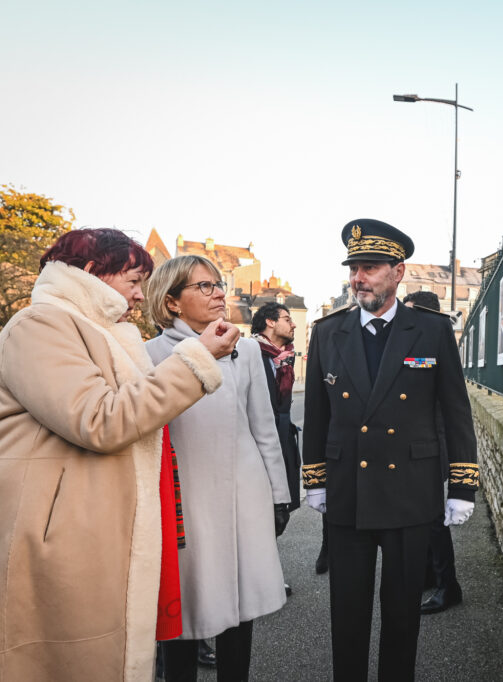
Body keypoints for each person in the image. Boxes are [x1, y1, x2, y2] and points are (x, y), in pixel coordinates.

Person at [0, 228, 237, 681]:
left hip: (83, 531)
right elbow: (100, 420)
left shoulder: (98, 333)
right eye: (133, 281)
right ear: (91, 273)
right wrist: (197, 361)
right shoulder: (38, 325)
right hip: (44, 539)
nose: (142, 297)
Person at [303, 219, 479, 681]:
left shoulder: (431, 330)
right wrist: (314, 479)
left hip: (410, 492)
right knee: (348, 611)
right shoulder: (328, 333)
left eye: (370, 267)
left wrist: (462, 487)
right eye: (354, 268)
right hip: (348, 493)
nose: (358, 278)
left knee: (402, 615)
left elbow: (456, 411)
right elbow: (317, 416)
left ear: (397, 273)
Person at [145, 255, 291, 682]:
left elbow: (263, 427)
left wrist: (278, 495)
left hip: (243, 495)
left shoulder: (245, 349)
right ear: (172, 302)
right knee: (184, 611)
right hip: (183, 499)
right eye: (204, 287)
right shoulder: (149, 354)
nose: (219, 294)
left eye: (219, 284)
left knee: (241, 606)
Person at [401, 290, 464, 615]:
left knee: (434, 519)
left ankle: (447, 585)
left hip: (434, 442)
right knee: (423, 516)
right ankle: (429, 574)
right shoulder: (416, 341)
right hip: (417, 444)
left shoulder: (434, 343)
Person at [251, 301, 301, 595]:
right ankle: (261, 577)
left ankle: (264, 571)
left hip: (283, 437)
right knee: (264, 509)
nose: (293, 324)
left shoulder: (283, 358)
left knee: (283, 507)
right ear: (269, 323)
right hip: (261, 440)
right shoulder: (250, 353)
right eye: (286, 319)